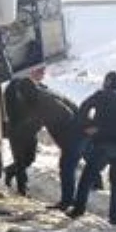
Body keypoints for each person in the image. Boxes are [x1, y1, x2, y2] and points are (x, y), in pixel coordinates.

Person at [69, 71, 116, 225]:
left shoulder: (100, 96)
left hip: (103, 145)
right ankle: (115, 218)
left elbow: (82, 110)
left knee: (87, 178)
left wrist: (88, 126)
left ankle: (78, 210)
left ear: (106, 83)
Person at [25, 81, 85, 209]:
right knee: (73, 165)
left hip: (73, 136)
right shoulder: (47, 93)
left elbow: (64, 115)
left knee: (67, 167)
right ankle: (71, 199)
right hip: (79, 131)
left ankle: (67, 201)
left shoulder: (42, 102)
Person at [2, 65, 42, 196]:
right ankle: (22, 189)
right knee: (20, 160)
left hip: (31, 131)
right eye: (39, 71)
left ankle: (9, 171)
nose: (42, 74)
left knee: (30, 158)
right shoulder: (13, 87)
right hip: (17, 129)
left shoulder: (33, 85)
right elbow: (10, 109)